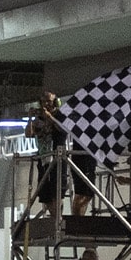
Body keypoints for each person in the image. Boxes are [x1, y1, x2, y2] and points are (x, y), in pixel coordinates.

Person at [29, 91, 96, 219]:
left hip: (58, 158)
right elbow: (29, 133)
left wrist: (50, 117)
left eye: (49, 101)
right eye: (44, 101)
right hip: (43, 158)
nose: (46, 104)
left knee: (58, 190)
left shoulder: (62, 115)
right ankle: (55, 217)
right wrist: (31, 118)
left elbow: (62, 129)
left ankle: (58, 219)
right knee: (45, 193)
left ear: (55, 102)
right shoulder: (39, 119)